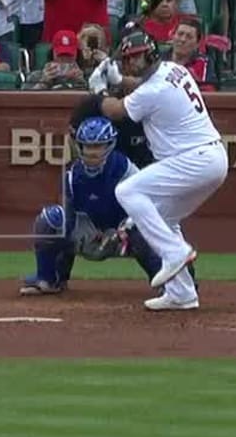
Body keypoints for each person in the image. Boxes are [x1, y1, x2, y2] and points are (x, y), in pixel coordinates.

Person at [96, 28, 225, 310]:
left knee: (127, 191)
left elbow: (116, 110)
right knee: (162, 220)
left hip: (193, 160)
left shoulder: (153, 90)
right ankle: (183, 294)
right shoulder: (171, 68)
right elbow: (140, 84)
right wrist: (119, 79)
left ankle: (175, 252)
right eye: (128, 59)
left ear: (150, 54)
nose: (131, 63)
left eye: (136, 58)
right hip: (209, 159)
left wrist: (99, 89)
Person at [20, 116, 165, 295]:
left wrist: (124, 228)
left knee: (146, 225)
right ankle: (50, 278)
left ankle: (165, 283)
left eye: (97, 146)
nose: (91, 152)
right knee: (51, 218)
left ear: (109, 145)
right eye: (87, 146)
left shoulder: (126, 169)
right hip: (91, 234)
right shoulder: (73, 177)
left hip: (124, 235)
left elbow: (148, 205)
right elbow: (69, 218)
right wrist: (86, 235)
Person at [22, 27, 87, 89]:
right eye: (60, 55)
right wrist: (43, 83)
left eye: (69, 55)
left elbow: (93, 98)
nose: (64, 59)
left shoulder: (88, 76)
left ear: (77, 55)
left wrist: (80, 83)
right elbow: (23, 99)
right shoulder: (35, 76)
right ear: (52, 54)